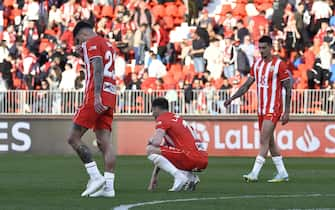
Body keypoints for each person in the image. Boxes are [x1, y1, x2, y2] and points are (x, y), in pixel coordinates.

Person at [224, 36, 291, 183]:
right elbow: (246, 85)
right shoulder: (257, 65)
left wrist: (287, 110)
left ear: (270, 47)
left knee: (263, 139)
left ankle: (254, 173)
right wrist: (232, 98)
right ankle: (282, 173)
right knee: (270, 141)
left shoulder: (279, 64)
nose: (261, 51)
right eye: (259, 48)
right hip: (261, 108)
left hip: (274, 107)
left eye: (264, 48)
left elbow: (288, 86)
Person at [68, 21, 117, 198]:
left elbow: (97, 67)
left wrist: (96, 95)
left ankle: (95, 176)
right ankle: (109, 187)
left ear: (82, 35)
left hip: (96, 95)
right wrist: (83, 55)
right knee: (105, 142)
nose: (79, 44)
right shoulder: (108, 45)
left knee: (73, 138)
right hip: (111, 95)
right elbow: (99, 63)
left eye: (78, 40)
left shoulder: (91, 43)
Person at [146, 97, 208, 191]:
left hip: (190, 157)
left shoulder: (163, 119)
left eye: (152, 110)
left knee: (150, 149)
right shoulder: (176, 118)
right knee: (165, 153)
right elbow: (163, 155)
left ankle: (179, 176)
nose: (152, 113)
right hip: (201, 160)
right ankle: (190, 178)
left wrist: (151, 140)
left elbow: (156, 143)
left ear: (157, 109)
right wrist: (154, 177)